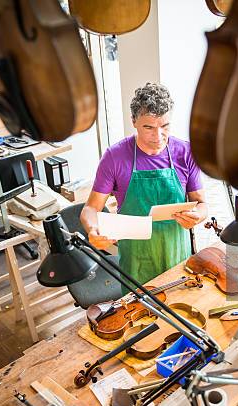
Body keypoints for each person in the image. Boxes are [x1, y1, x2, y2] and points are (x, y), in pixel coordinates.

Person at [80, 82, 208, 285]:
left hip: (178, 257)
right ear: (134, 121)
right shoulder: (114, 157)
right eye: (148, 127)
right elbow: (90, 209)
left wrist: (198, 216)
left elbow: (201, 203)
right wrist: (92, 230)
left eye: (164, 126)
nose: (158, 137)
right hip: (136, 261)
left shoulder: (185, 153)